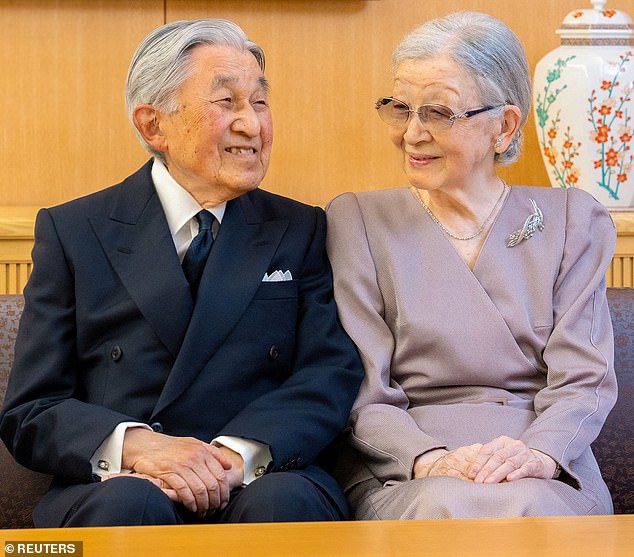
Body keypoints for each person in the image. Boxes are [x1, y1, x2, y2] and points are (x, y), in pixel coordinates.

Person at [0, 18, 363, 527]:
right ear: (153, 125)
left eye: (259, 101)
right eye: (227, 102)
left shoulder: (299, 228)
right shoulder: (74, 230)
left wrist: (235, 456)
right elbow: (33, 408)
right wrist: (139, 447)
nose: (252, 125)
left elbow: (328, 372)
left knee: (284, 505)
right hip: (125, 483)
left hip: (259, 473)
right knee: (130, 506)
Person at [325, 11, 617, 519]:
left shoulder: (574, 220)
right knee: (441, 507)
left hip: (543, 460)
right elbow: (360, 387)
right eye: (400, 108)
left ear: (503, 126)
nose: (412, 133)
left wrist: (539, 453)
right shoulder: (357, 221)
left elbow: (583, 379)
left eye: (438, 112)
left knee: (531, 508)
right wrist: (428, 459)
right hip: (405, 467)